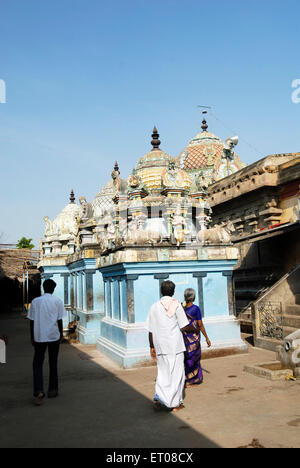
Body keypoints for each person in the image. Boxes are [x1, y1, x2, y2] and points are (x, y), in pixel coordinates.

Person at [146, 280, 201, 412]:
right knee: (176, 374)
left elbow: (150, 329)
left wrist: (151, 346)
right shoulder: (176, 305)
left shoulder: (154, 307)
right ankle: (175, 403)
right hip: (174, 345)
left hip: (160, 345)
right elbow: (184, 326)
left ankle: (160, 399)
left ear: (161, 292)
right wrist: (195, 330)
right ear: (173, 292)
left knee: (163, 373)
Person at [27, 279, 66, 406]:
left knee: (37, 364)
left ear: (43, 287)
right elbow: (59, 320)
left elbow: (31, 321)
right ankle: (53, 390)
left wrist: (32, 336)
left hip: (39, 336)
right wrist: (60, 335)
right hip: (54, 335)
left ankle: (38, 391)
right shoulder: (57, 301)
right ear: (53, 289)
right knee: (53, 362)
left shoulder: (35, 302)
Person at [182, 288, 211, 388]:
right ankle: (190, 380)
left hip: (183, 338)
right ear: (193, 297)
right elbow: (200, 324)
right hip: (193, 338)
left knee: (186, 358)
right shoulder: (196, 309)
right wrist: (207, 337)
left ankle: (185, 379)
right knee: (194, 357)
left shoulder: (182, 307)